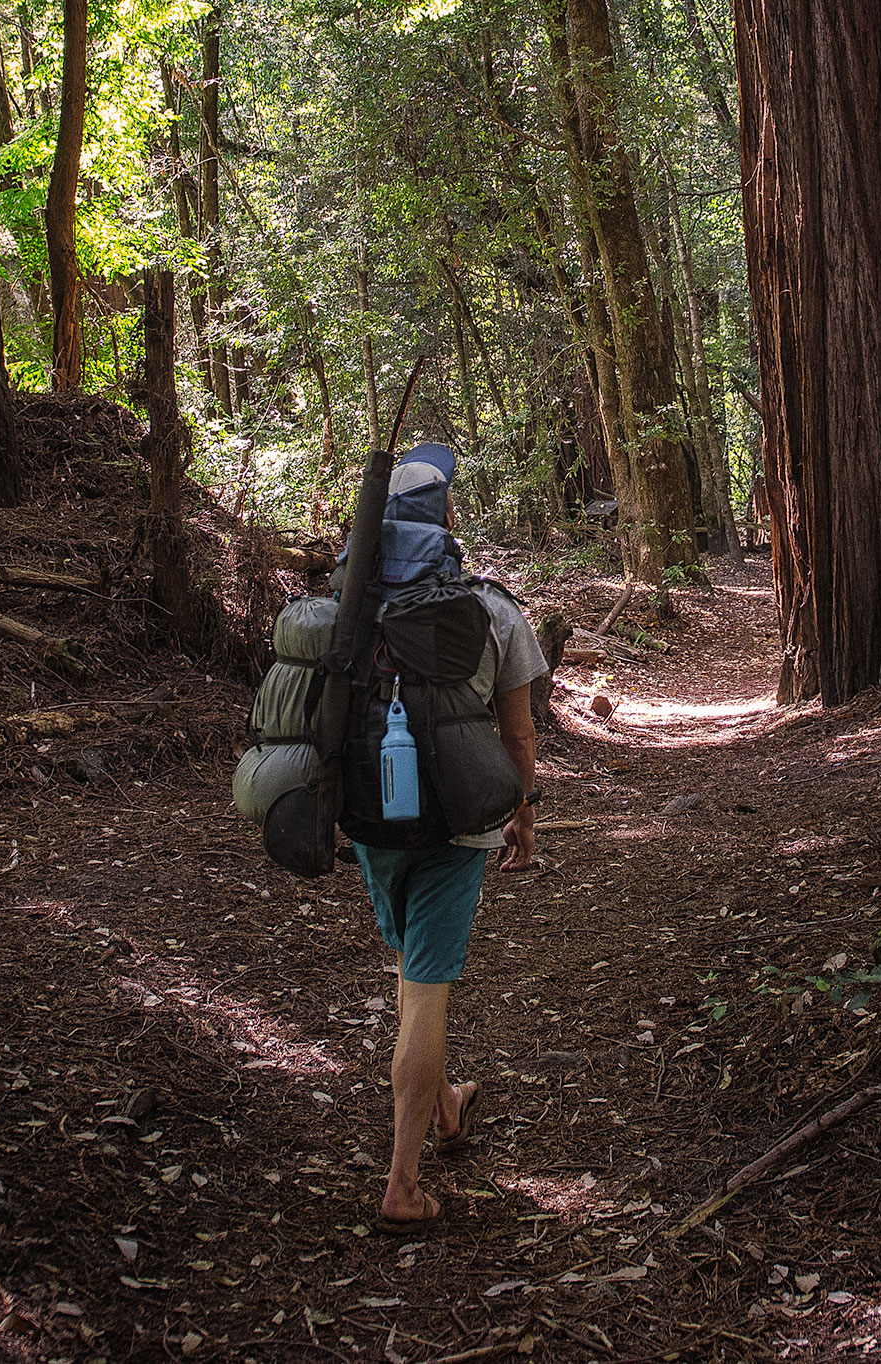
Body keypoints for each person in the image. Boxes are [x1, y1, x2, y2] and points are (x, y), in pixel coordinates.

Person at [357, 445, 547, 1233]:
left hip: (373, 815)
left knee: (411, 964)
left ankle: (447, 1107)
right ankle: (403, 1183)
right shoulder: (494, 609)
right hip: (462, 824)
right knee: (428, 980)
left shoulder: (351, 605)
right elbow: (521, 736)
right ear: (449, 522)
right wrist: (525, 813)